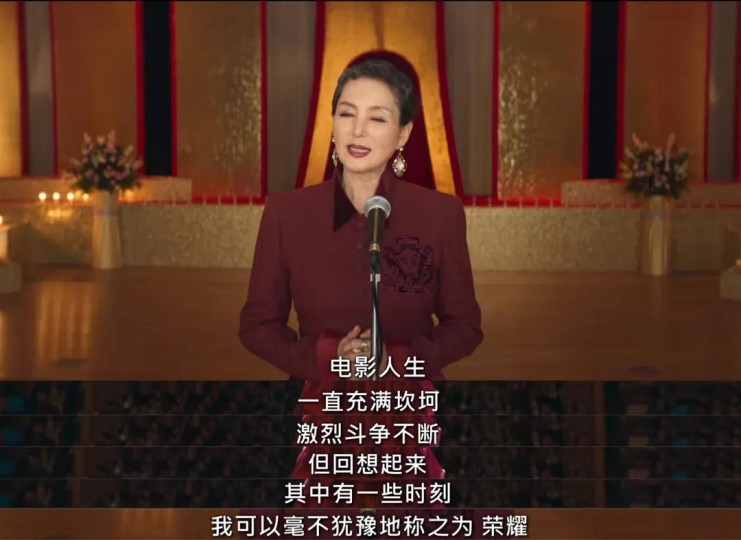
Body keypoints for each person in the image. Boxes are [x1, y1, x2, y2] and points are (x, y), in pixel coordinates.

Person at [239, 58, 483, 512]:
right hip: (319, 417)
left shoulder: (440, 215)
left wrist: (401, 358)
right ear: (332, 123)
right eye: (347, 113)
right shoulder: (287, 214)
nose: (358, 130)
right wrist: (325, 354)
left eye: (377, 118)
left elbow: (465, 326)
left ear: (404, 133)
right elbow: (257, 326)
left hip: (408, 420)